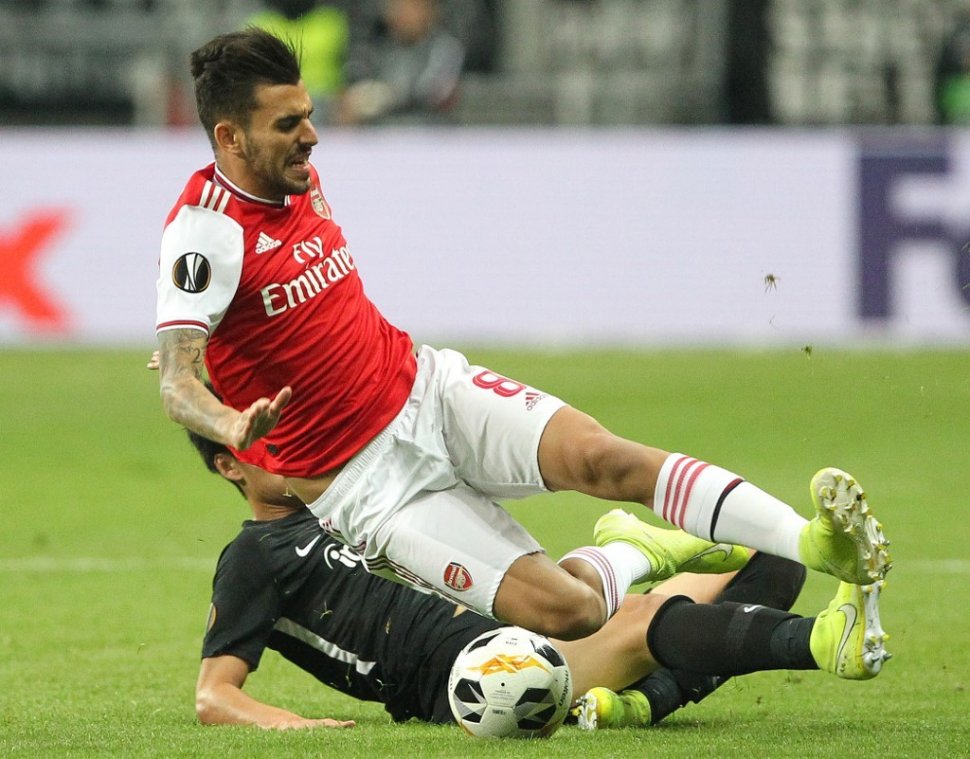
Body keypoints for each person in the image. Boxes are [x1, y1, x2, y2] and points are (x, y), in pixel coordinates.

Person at [154, 27, 892, 648]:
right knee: (571, 612)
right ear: (229, 136)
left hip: (426, 387)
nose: (311, 135)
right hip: (366, 485)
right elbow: (175, 381)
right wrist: (229, 421)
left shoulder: (297, 176)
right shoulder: (205, 234)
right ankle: (634, 551)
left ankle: (812, 541)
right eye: (288, 125)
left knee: (605, 458)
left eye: (308, 114)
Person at [186, 427, 889, 731]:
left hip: (518, 613)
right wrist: (305, 726)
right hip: (460, 675)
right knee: (644, 621)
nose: (285, 442)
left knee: (769, 557)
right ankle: (822, 642)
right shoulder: (255, 555)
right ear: (229, 466)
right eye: (260, 440)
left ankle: (642, 701)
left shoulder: (359, 497)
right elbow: (215, 695)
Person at [336, 0, 465, 125]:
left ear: (428, 11)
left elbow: (428, 91)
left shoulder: (445, 47)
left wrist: (382, 97)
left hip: (429, 129)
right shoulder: (384, 47)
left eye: (411, 8)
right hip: (383, 132)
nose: (402, 14)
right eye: (397, 7)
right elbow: (362, 77)